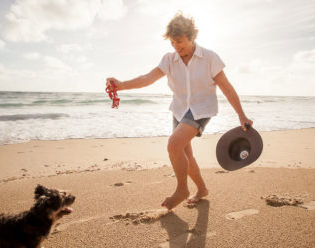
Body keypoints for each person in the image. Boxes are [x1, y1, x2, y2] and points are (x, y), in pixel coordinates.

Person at [106, 13, 253, 210]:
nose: (176, 46)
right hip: (179, 109)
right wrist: (122, 85)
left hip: (201, 109)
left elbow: (227, 87)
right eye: (173, 42)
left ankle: (182, 189)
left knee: (174, 145)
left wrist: (241, 115)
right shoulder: (169, 60)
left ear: (192, 37)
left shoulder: (209, 58)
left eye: (180, 41)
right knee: (185, 152)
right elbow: (147, 78)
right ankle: (202, 189)